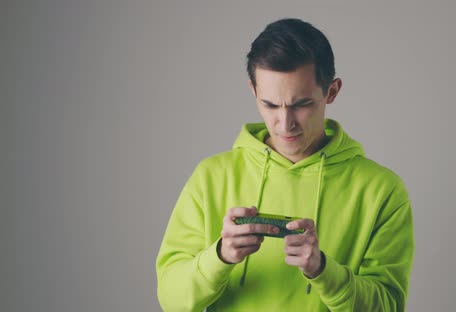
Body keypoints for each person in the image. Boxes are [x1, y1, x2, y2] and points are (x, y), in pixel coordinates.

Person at [155, 18, 414, 311]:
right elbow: (171, 300)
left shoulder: (382, 190)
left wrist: (324, 271)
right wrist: (220, 256)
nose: (285, 123)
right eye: (270, 105)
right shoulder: (210, 177)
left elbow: (388, 306)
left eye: (301, 104)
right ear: (253, 90)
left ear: (332, 91)